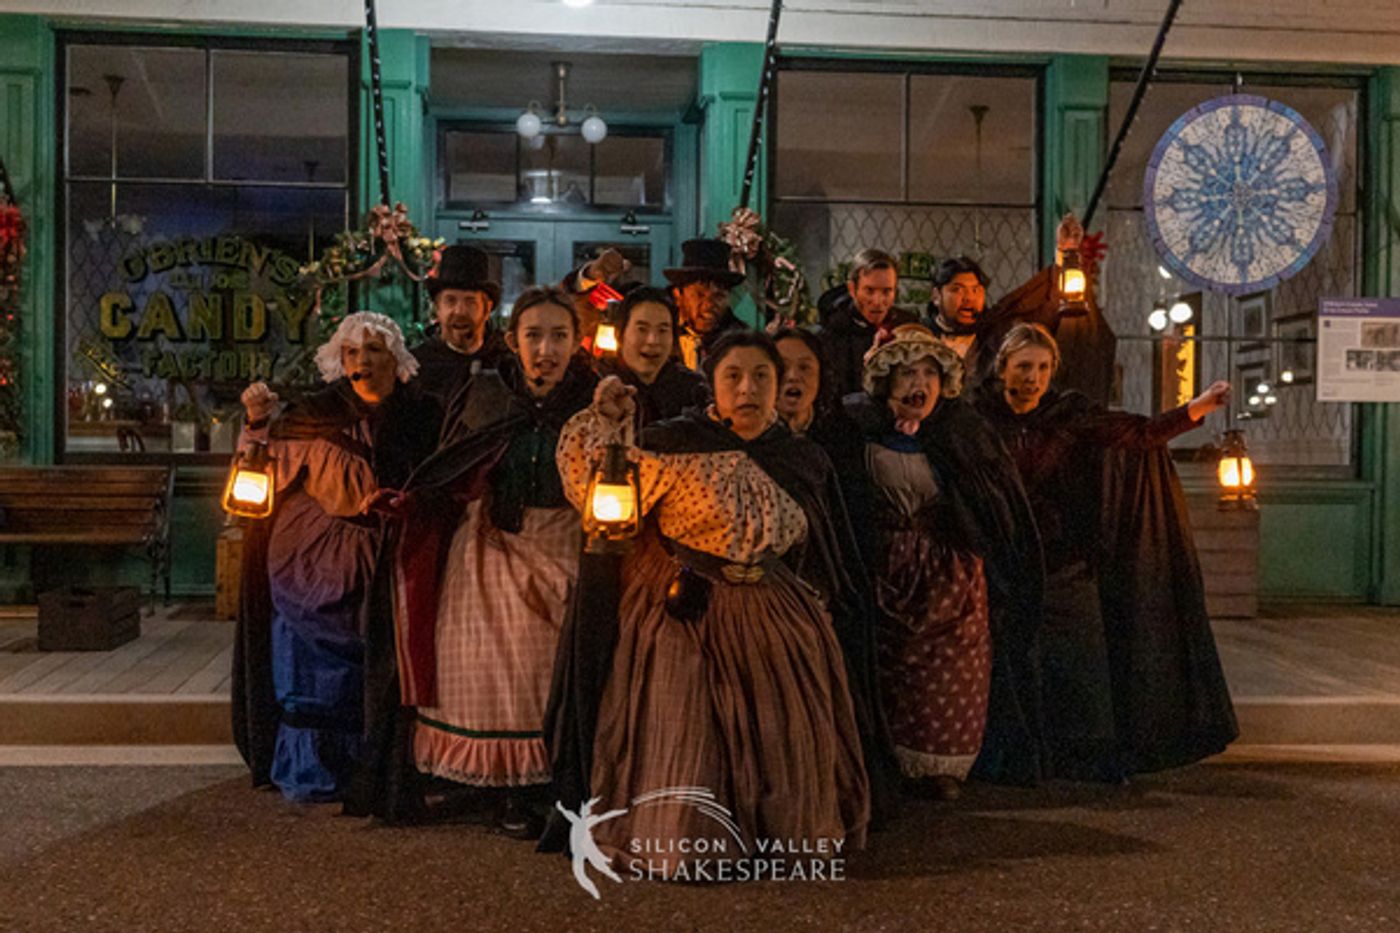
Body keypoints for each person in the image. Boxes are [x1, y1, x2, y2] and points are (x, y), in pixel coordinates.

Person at [545, 330, 873, 875]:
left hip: (767, 601)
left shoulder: (802, 457)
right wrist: (605, 422)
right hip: (683, 602)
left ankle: (777, 842)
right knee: (682, 715)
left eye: (762, 377)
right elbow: (601, 484)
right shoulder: (675, 443)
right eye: (734, 377)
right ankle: (686, 843)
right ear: (712, 386)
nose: (748, 389)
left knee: (781, 721)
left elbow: (820, 545)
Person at [373, 286, 597, 834]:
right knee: (503, 651)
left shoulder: (595, 399)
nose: (546, 348)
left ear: (577, 342)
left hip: (567, 537)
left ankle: (557, 777)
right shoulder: (488, 396)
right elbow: (453, 465)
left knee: (557, 654)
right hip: (495, 537)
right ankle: (510, 787)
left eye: (559, 336)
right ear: (514, 341)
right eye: (534, 335)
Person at [971, 322, 1238, 780]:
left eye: (1041, 367)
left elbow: (1138, 433)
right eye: (1022, 367)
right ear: (1003, 370)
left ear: (1053, 370)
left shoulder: (1069, 415)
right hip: (999, 559)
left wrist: (1197, 409)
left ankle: (1079, 754)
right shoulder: (977, 419)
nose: (1032, 377)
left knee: (1077, 664)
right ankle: (1007, 757)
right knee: (1004, 662)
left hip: (1064, 561)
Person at [826, 324, 1042, 798]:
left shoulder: (961, 431)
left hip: (949, 571)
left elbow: (991, 500)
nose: (917, 384)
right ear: (886, 380)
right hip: (884, 564)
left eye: (928, 372)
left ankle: (941, 767)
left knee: (948, 668)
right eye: (906, 373)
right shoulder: (855, 426)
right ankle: (890, 761)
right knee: (889, 667)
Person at [232, 311, 439, 803]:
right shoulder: (312, 414)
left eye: (374, 350)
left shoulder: (421, 414)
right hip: (316, 560)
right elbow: (262, 475)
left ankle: (375, 766)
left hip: (387, 555)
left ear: (396, 358)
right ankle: (316, 769)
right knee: (316, 667)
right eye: (351, 352)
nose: (362, 361)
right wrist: (257, 424)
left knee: (377, 662)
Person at [412, 244, 508, 412]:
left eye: (470, 302)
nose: (460, 311)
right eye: (450, 300)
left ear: (487, 309)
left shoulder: (507, 363)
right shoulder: (417, 367)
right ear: (437, 309)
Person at [596, 286, 708, 428]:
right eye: (642, 329)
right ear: (620, 334)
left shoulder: (693, 390)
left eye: (663, 330)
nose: (653, 340)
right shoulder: (596, 381)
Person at [819, 249, 918, 400]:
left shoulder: (908, 329)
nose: (878, 301)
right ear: (853, 289)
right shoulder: (829, 334)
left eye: (887, 292)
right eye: (869, 291)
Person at [665, 238, 748, 372]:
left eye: (719, 296)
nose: (709, 304)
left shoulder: (741, 342)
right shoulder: (661, 335)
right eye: (700, 295)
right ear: (678, 295)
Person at [926, 255, 991, 363]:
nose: (969, 298)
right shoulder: (919, 337)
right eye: (957, 290)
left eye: (975, 290)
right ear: (936, 296)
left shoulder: (994, 339)